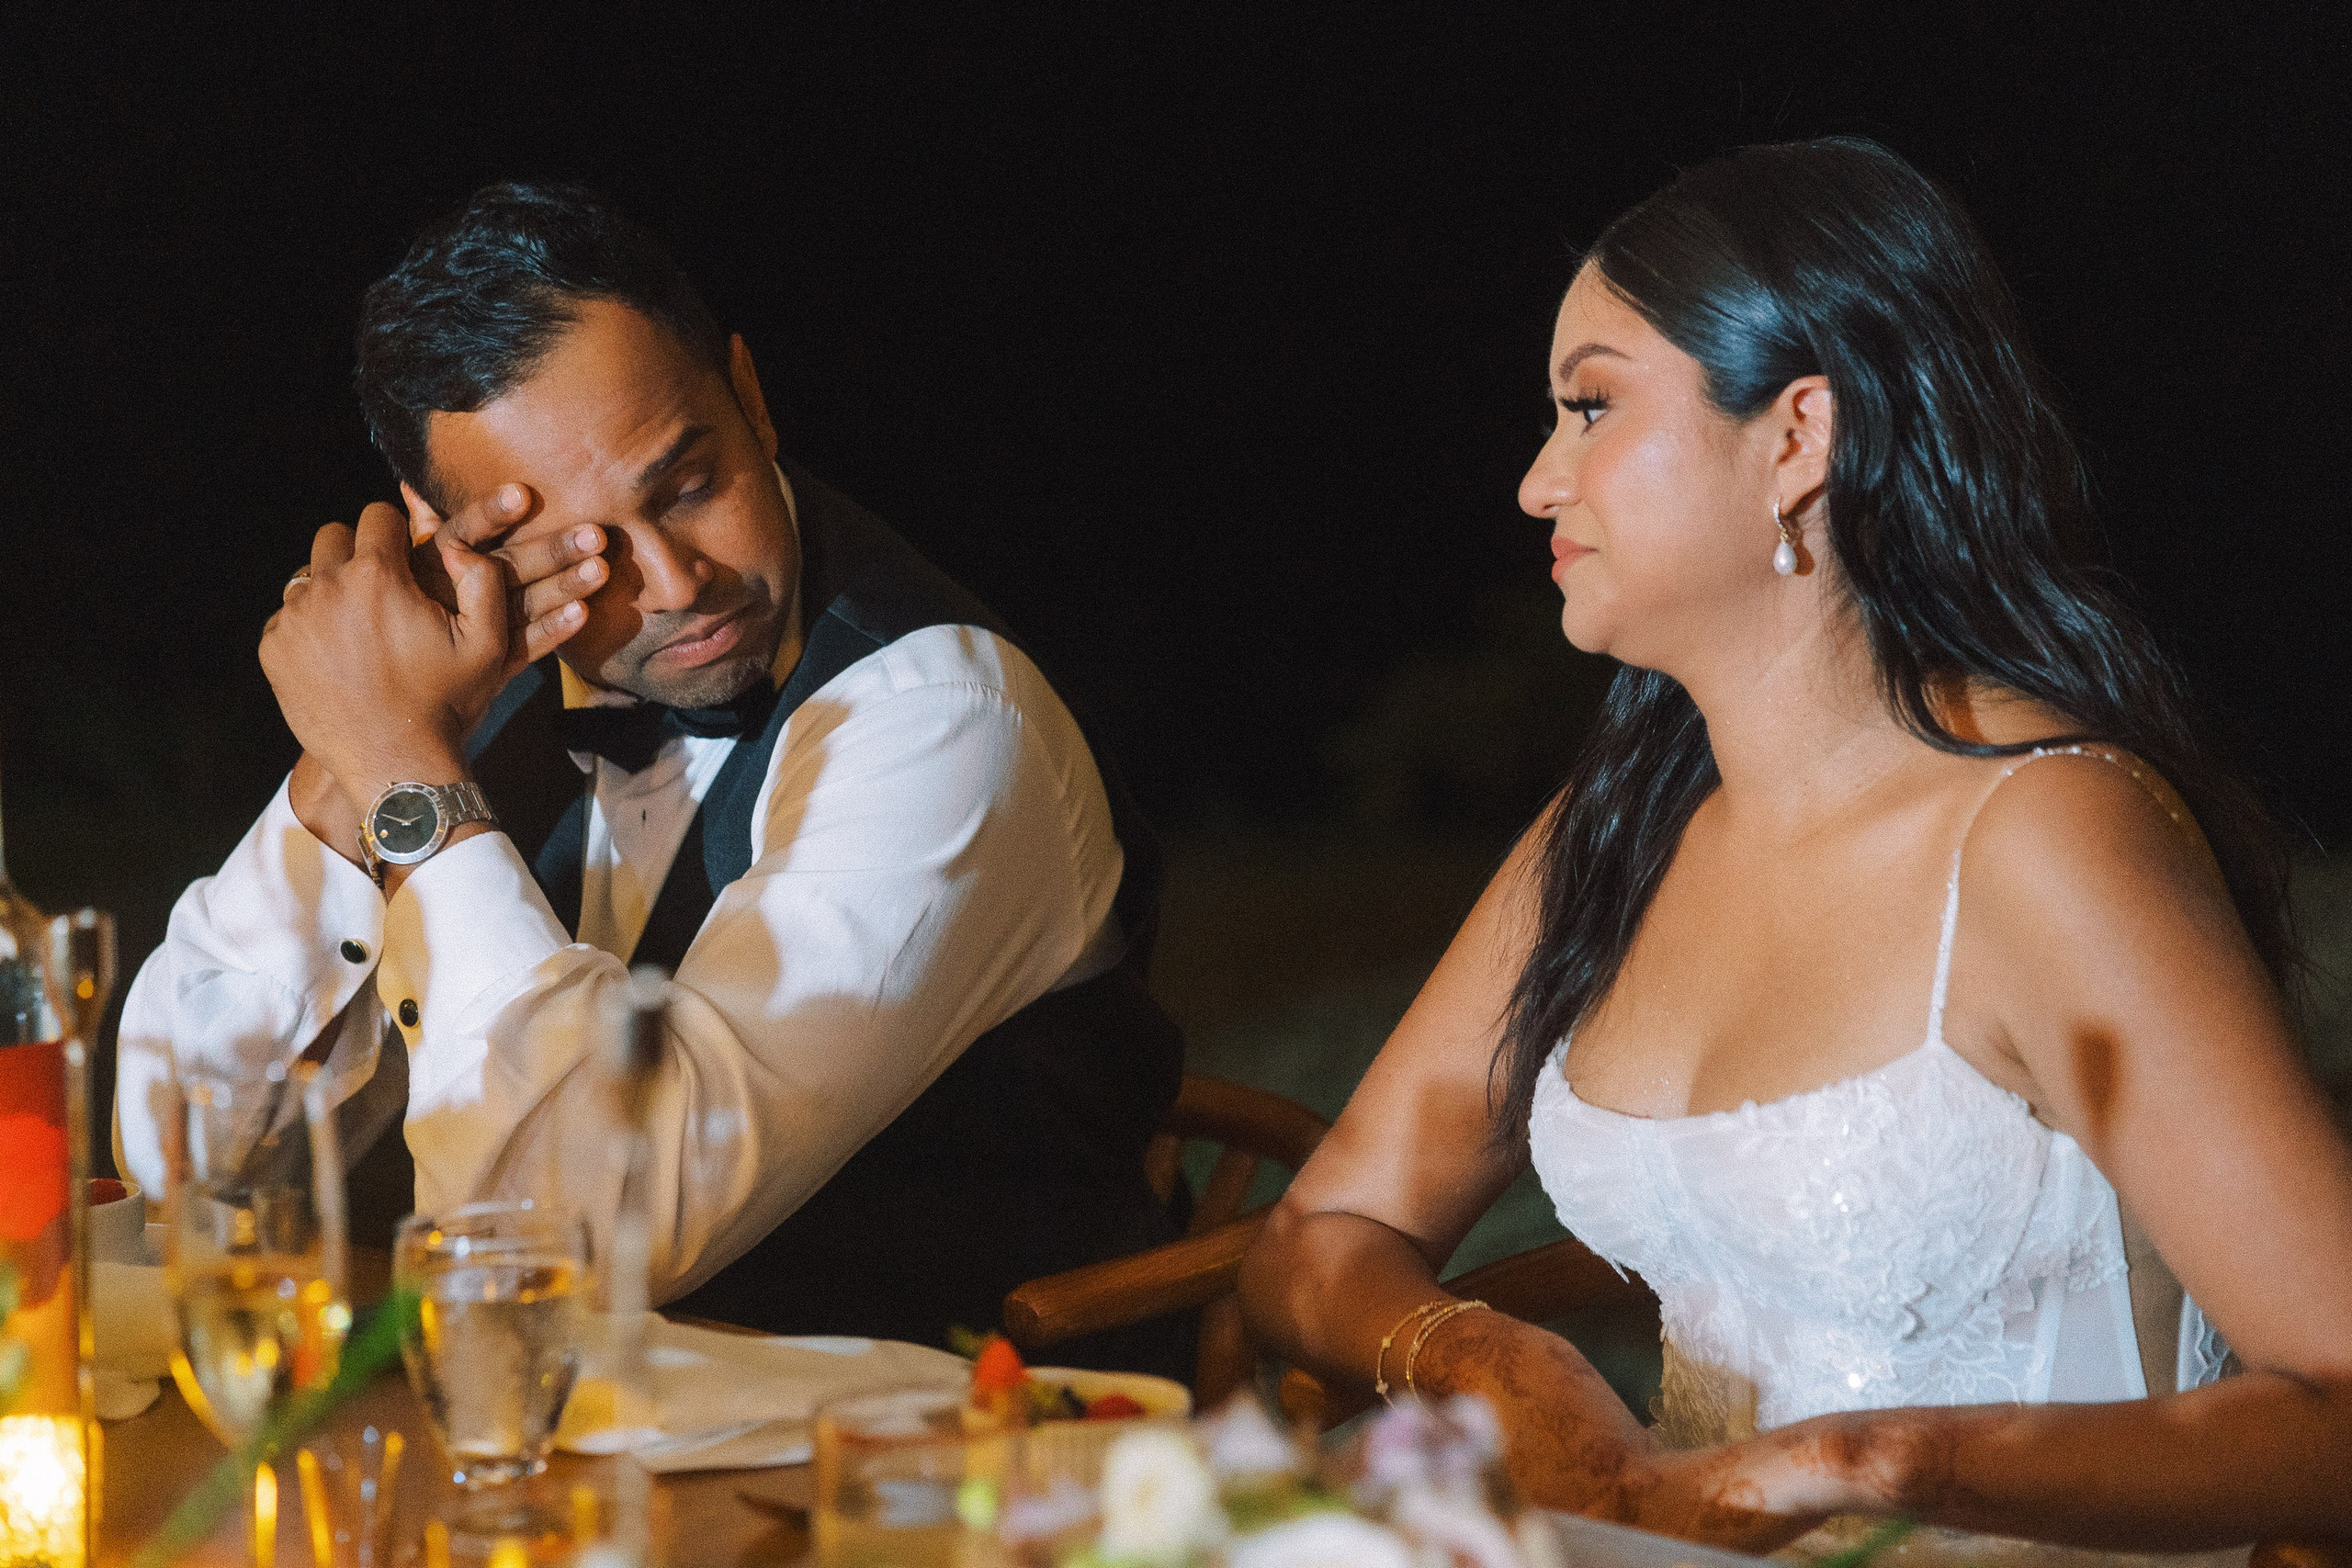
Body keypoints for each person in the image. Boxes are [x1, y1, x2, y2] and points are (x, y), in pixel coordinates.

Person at [1239, 138, 2352, 1555]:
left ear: (1797, 436)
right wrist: (1494, 1359)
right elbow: (1314, 1243)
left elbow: (2338, 1401)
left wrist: (1862, 1461)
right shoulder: (1615, 827)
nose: (1537, 481)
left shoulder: (2046, 835)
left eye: (1590, 409)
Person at [115, 182, 1189, 1372]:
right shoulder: (469, 681)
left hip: (947, 1472)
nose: (672, 584)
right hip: (579, 1455)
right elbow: (184, 1162)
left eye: (687, 486)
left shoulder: (945, 718)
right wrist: (341, 767)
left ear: (752, 398)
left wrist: (409, 786)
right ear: (442, 538)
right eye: (573, 548)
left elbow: (578, 1233)